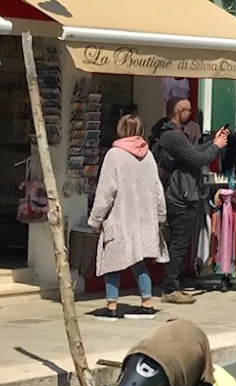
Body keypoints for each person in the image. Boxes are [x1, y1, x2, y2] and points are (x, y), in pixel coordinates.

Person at [88, 113, 166, 319]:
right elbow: (157, 189)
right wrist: (160, 216)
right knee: (138, 261)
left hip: (120, 217)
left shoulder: (114, 155)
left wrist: (96, 219)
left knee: (111, 262)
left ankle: (111, 306)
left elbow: (106, 191)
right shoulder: (148, 156)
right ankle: (147, 303)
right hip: (144, 220)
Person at [152, 97, 228, 304]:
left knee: (181, 243)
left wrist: (212, 142)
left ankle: (173, 284)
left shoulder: (175, 134)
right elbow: (197, 160)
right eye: (188, 110)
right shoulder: (172, 137)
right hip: (180, 197)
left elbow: (193, 153)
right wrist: (216, 147)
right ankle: (170, 288)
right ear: (179, 112)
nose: (191, 114)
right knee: (179, 243)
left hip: (183, 193)